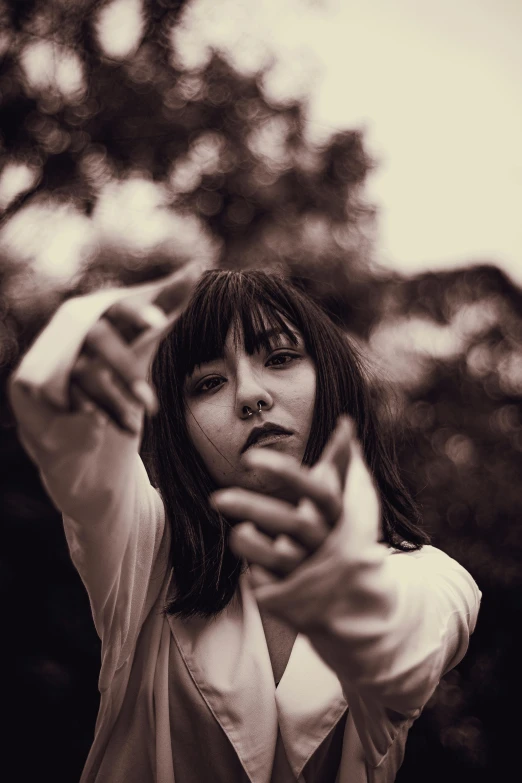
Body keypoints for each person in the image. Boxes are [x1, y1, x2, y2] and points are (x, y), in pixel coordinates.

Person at [9, 266, 481, 783]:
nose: (250, 394)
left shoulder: (431, 577)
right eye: (209, 382)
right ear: (178, 428)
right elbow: (86, 456)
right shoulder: (147, 554)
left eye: (280, 358)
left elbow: (417, 623)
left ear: (333, 380)